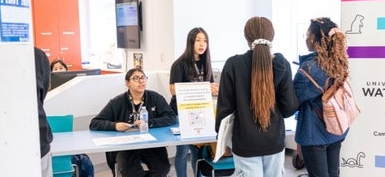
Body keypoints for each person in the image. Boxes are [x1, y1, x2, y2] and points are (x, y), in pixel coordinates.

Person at [215, 16, 299, 177]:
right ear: (271, 37)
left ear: (247, 38)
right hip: (274, 142)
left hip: (245, 143)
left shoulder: (233, 64)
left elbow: (224, 109)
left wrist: (221, 139)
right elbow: (289, 109)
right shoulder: (282, 65)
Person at [89, 68, 177, 177]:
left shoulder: (155, 98)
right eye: (136, 78)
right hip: (126, 146)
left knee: (162, 169)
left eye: (143, 78)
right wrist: (115, 126)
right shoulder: (118, 101)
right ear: (127, 83)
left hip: (151, 144)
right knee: (132, 173)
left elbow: (171, 117)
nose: (141, 81)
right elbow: (95, 123)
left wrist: (149, 123)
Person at [293, 17, 350, 177]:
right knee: (333, 174)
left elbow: (292, 101)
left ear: (313, 38)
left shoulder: (309, 68)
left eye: (307, 34)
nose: (306, 38)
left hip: (314, 134)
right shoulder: (339, 61)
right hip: (336, 127)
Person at [169, 27, 219, 177]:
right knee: (183, 151)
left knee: (198, 150)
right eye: (198, 40)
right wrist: (204, 87)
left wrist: (214, 89)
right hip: (181, 112)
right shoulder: (180, 63)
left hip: (200, 111)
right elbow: (173, 89)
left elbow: (209, 87)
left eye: (205, 41)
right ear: (191, 42)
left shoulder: (206, 63)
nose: (202, 44)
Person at [35, 47, 54, 177]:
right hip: (39, 138)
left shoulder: (37, 56)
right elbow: (42, 95)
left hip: (39, 144)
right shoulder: (38, 56)